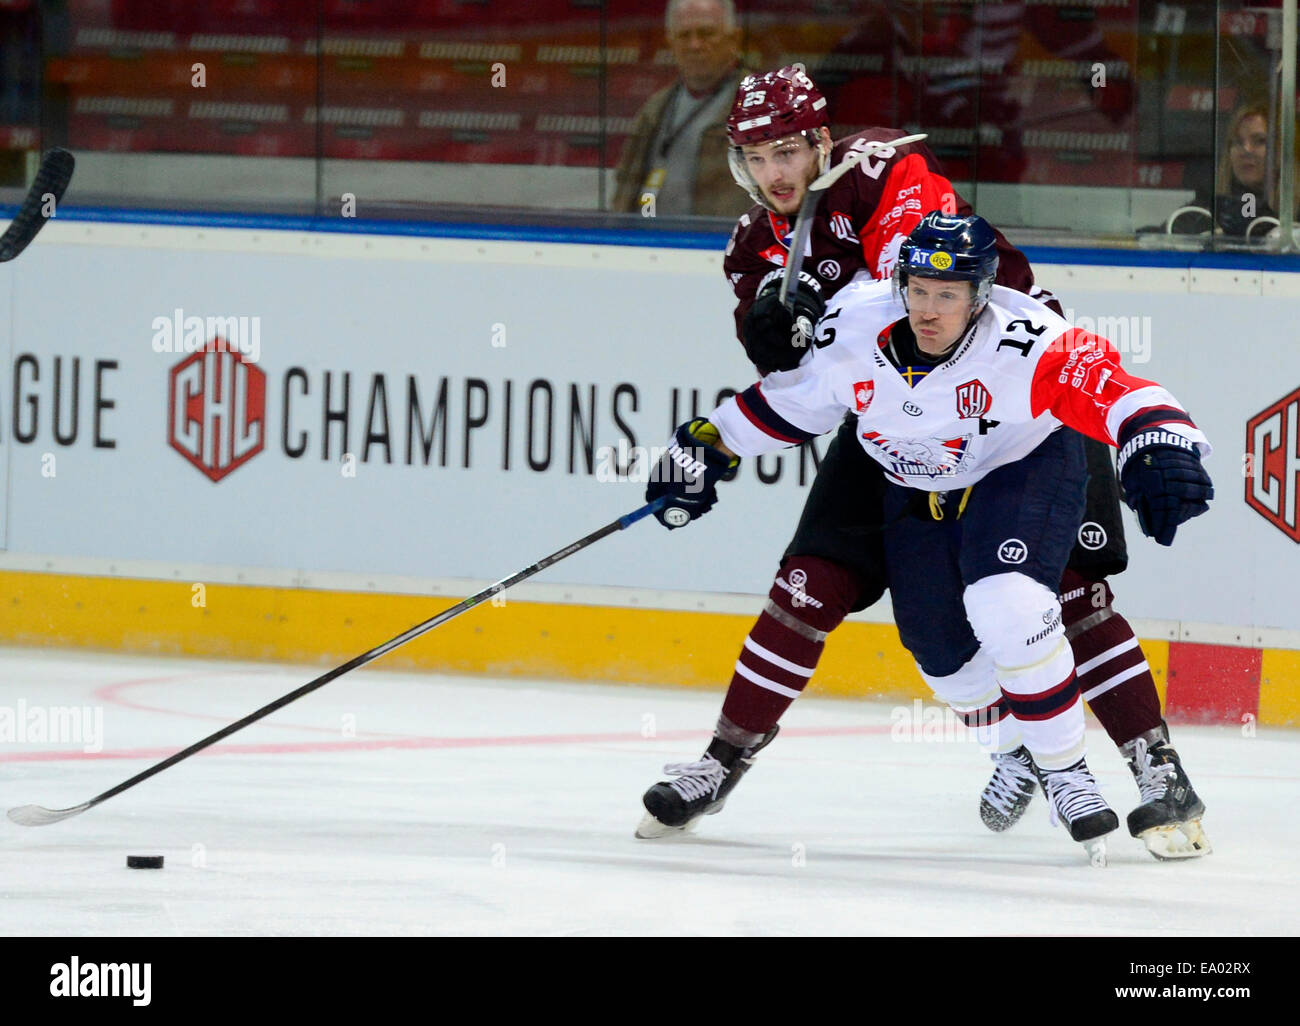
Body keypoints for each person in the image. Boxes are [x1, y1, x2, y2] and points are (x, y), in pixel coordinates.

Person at [635, 66, 1211, 861]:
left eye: (788, 151)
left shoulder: (882, 173)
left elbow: (923, 283)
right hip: (896, 416)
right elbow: (801, 385)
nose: (774, 173)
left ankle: (1157, 769)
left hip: (1012, 403)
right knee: (822, 592)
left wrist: (1156, 431)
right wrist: (714, 437)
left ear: (822, 142)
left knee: (1058, 596)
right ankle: (725, 760)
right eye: (756, 155)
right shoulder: (749, 246)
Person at [610, 0, 750, 218]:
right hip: (646, 244)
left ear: (734, 39)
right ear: (671, 43)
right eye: (684, 35)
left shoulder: (759, 107)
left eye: (706, 34)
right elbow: (626, 189)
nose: (695, 45)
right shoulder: (655, 110)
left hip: (721, 245)